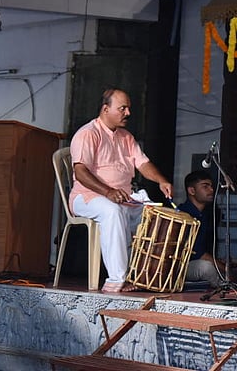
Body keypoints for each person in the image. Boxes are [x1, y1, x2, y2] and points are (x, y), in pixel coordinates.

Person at [69, 88, 174, 293]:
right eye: (122, 108)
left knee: (158, 216)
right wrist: (108, 192)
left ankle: (147, 276)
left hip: (122, 198)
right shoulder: (88, 133)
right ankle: (116, 280)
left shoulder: (126, 137)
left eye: (128, 108)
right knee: (113, 212)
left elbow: (143, 164)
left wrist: (161, 180)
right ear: (105, 109)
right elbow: (80, 172)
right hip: (87, 197)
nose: (128, 113)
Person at [178, 170, 222, 288]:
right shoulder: (183, 214)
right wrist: (222, 267)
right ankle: (224, 291)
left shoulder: (207, 214)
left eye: (211, 186)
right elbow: (197, 252)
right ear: (192, 191)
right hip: (180, 266)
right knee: (207, 268)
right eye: (205, 186)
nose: (211, 190)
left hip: (198, 261)